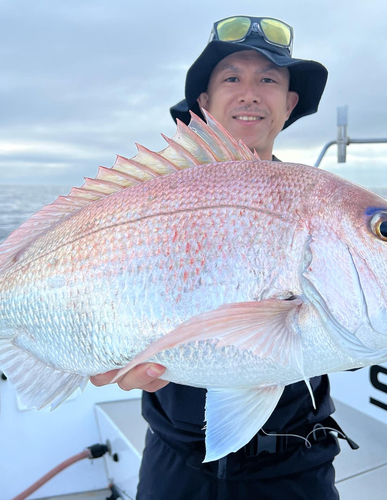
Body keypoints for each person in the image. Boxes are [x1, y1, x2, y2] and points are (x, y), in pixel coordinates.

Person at [92, 16, 348, 500]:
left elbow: (349, 331)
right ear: (204, 103)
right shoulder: (147, 197)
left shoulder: (321, 206)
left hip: (295, 464)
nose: (250, 93)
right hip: (175, 463)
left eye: (269, 79)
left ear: (289, 103)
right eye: (232, 77)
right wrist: (91, 343)